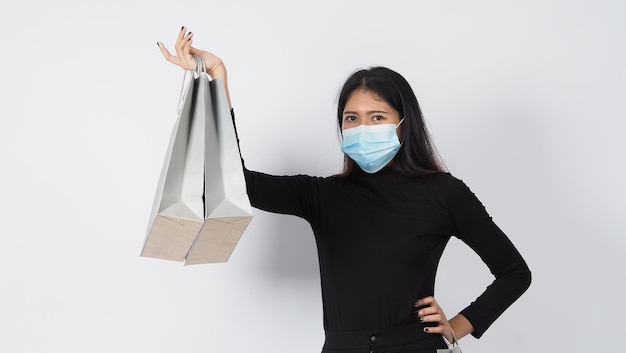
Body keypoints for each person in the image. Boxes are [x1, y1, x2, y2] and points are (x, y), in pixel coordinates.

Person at [157, 27, 532, 353]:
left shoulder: (444, 193)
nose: (362, 127)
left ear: (403, 124)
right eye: (352, 118)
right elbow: (235, 181)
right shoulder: (324, 196)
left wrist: (458, 326)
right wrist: (216, 78)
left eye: (377, 117)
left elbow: (514, 272)